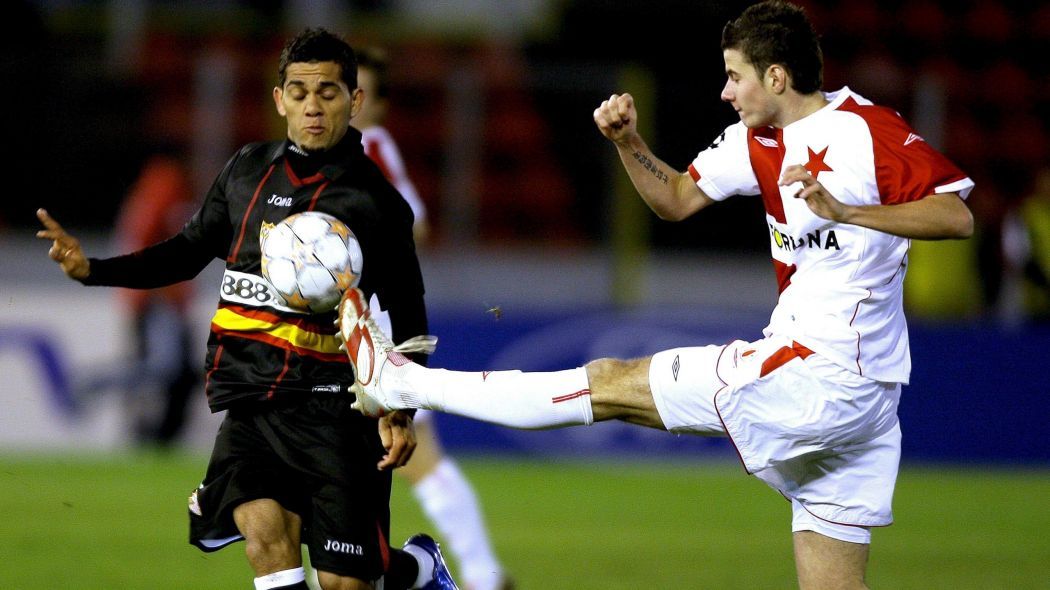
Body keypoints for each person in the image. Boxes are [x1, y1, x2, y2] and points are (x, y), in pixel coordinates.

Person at [335, 2, 975, 589]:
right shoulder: (755, 141)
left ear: (776, 77)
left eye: (735, 75)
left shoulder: (864, 129)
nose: (725, 91)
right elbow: (675, 199)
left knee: (608, 384)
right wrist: (627, 144)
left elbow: (955, 216)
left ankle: (405, 383)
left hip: (820, 372)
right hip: (863, 401)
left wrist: (846, 211)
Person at [38, 28, 457, 590]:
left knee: (345, 582)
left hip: (338, 413)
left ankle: (417, 569)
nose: (313, 106)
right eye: (300, 91)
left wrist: (403, 412)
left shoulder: (376, 203)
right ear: (279, 98)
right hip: (253, 404)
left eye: (329, 92)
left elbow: (409, 316)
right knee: (264, 537)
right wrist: (95, 270)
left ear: (354, 102)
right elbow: (186, 252)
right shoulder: (246, 171)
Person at [353, 46, 512, 590]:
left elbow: (413, 224)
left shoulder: (370, 146)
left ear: (377, 104)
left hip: (374, 333)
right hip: (356, 331)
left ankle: (480, 574)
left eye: (361, 94)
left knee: (417, 459)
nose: (348, 104)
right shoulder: (354, 150)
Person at [115, 147, 201, 446]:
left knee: (175, 370)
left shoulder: (155, 189)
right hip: (158, 301)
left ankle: (160, 435)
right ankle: (91, 387)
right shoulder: (164, 187)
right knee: (166, 368)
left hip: (158, 298)